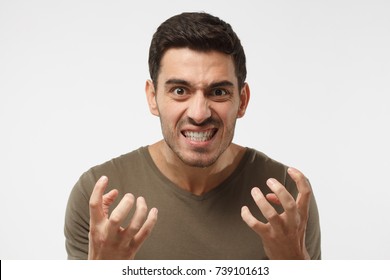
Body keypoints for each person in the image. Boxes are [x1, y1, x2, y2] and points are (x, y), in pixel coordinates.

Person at [64, 12, 321, 260]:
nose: (199, 114)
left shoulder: (288, 196)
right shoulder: (97, 197)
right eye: (179, 90)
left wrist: (293, 262)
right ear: (153, 98)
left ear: (242, 102)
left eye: (218, 92)